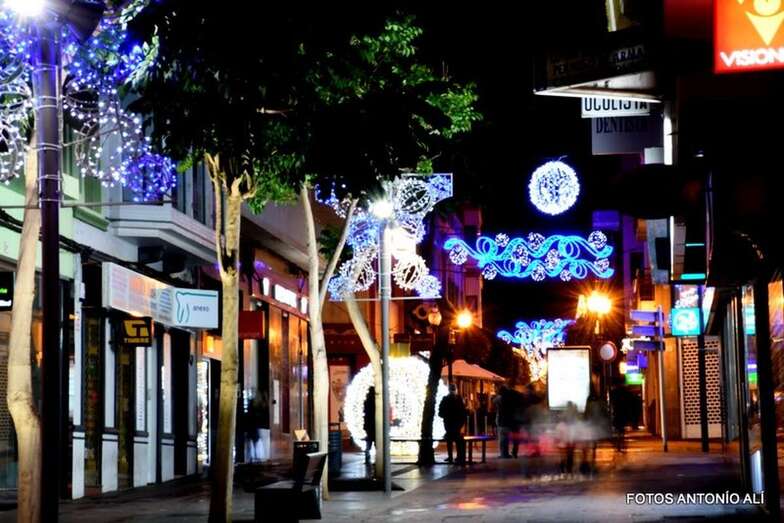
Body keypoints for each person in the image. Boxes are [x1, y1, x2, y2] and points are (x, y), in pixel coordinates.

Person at [438, 383, 467, 464]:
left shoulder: (445, 399)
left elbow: (440, 411)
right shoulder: (458, 399)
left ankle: (450, 456)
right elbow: (463, 411)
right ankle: (459, 456)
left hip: (448, 422)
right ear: (455, 389)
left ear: (449, 390)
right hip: (457, 423)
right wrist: (462, 421)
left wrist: (444, 416)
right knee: (457, 439)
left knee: (449, 439)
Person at [363, 386, 376, 464]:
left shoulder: (367, 401)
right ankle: (378, 458)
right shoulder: (376, 401)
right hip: (375, 425)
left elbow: (365, 413)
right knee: (377, 443)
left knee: (368, 443)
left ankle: (367, 458)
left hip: (369, 425)